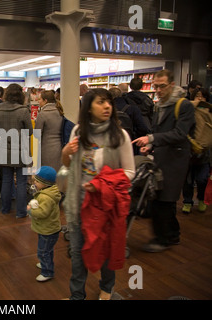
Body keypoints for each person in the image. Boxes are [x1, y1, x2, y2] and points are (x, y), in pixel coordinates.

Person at [61, 88, 135, 300]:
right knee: (77, 255)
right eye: (101, 102)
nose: (107, 107)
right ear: (88, 107)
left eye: (109, 102)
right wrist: (66, 152)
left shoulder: (119, 135)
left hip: (104, 206)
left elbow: (130, 172)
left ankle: (107, 289)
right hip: (78, 204)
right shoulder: (78, 131)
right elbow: (67, 164)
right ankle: (77, 296)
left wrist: (102, 184)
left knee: (105, 251)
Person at [133, 69, 196, 253]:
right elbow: (159, 131)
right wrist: (150, 147)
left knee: (165, 199)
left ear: (172, 85)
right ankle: (172, 234)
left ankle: (163, 239)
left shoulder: (183, 105)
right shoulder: (159, 104)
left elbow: (179, 134)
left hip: (175, 160)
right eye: (155, 87)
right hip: (161, 157)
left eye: (162, 86)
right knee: (163, 198)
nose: (158, 90)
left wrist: (152, 140)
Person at [0, 83, 33, 218]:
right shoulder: (23, 110)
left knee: (6, 180)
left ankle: (5, 209)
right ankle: (21, 212)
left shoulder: (0, 108)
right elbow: (29, 131)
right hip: (20, 150)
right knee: (22, 182)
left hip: (4, 148)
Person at [26, 166, 61, 282]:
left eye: (36, 181)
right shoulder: (49, 192)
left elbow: (42, 213)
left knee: (43, 251)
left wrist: (30, 210)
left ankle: (47, 272)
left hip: (48, 230)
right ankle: (46, 263)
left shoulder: (45, 197)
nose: (34, 182)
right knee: (47, 250)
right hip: (49, 228)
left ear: (45, 184)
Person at [182, 87, 211, 214]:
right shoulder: (189, 112)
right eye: (197, 95)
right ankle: (187, 202)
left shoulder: (209, 113)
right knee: (188, 180)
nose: (200, 98)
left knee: (202, 179)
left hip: (205, 152)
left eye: (203, 96)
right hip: (189, 151)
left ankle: (201, 199)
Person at [34, 90, 64, 172]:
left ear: (45, 101)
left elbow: (37, 134)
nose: (38, 101)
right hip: (59, 147)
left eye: (40, 99)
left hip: (46, 148)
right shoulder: (60, 111)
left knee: (47, 175)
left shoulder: (42, 114)